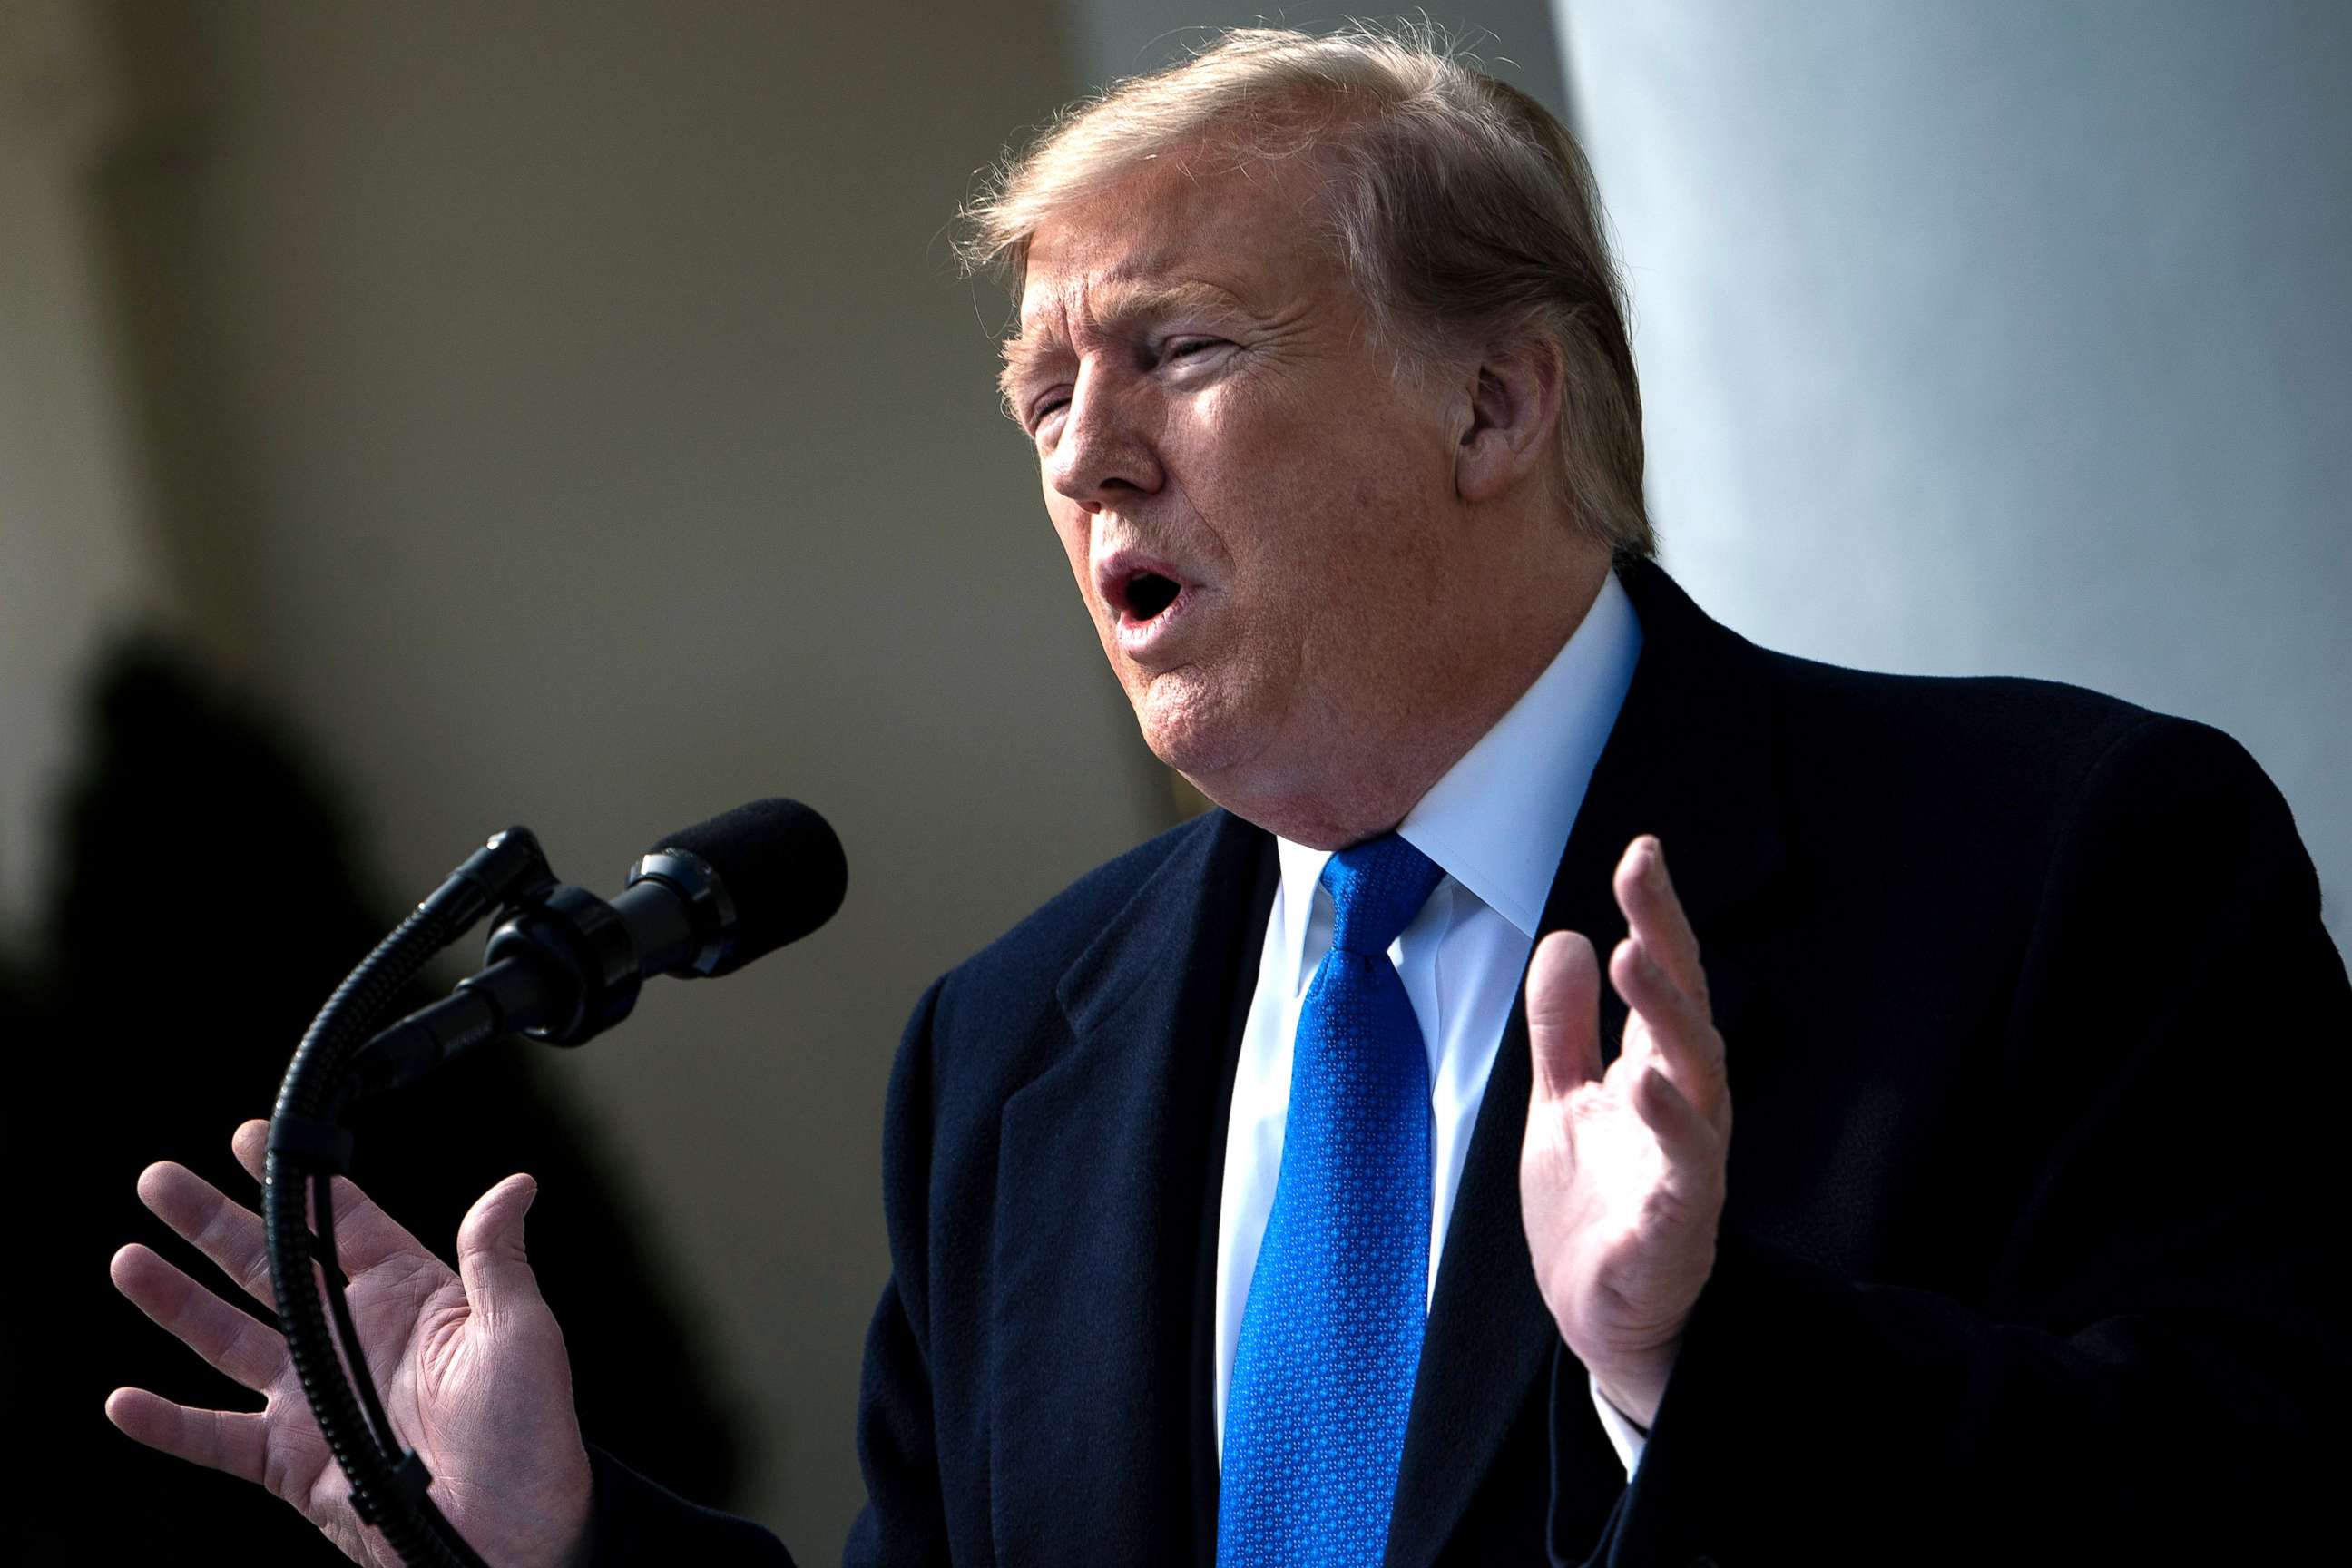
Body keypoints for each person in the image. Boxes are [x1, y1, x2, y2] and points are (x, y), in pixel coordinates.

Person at [106, 26, 2347, 1568]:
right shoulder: (1009, 1057)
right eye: (1041, 394)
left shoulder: (2059, 863)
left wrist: (1705, 1364)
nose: (1083, 453)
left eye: (1176, 348)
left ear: (1494, 402)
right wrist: (567, 1540)